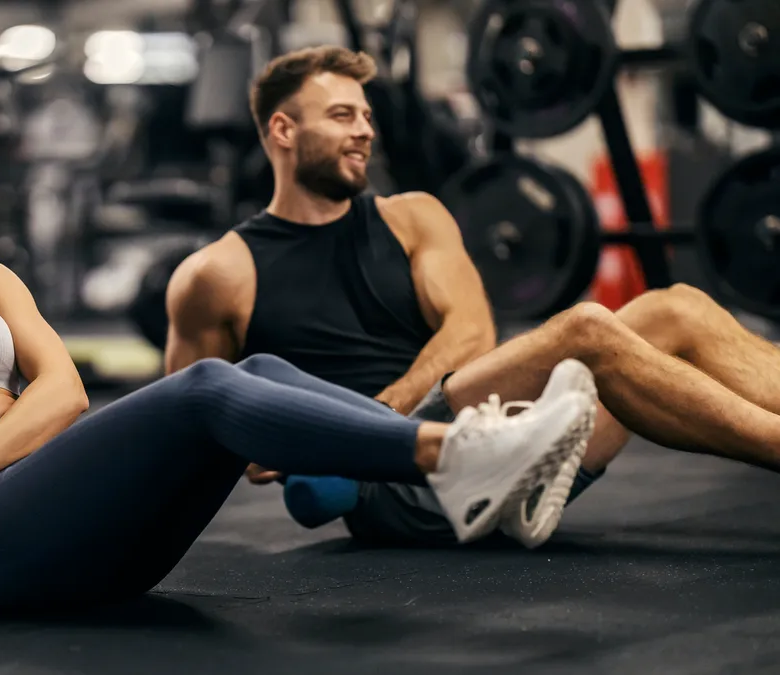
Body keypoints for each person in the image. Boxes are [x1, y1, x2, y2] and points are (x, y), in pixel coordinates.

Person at [0, 95, 597, 613]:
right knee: (206, 386)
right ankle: (460, 457)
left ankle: (462, 470)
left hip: (86, 528)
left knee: (255, 376)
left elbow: (61, 396)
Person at [164, 45, 780, 549]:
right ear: (283, 128)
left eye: (366, 117)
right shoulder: (217, 274)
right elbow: (193, 428)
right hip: (394, 487)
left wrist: (384, 415)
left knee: (674, 306)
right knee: (586, 330)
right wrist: (308, 439)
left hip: (480, 429)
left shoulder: (411, 218)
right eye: (342, 116)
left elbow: (471, 334)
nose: (364, 132)